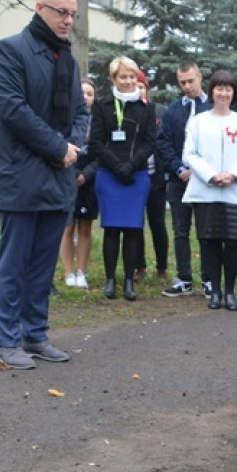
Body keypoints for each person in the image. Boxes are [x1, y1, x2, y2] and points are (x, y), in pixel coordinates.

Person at [0, 0, 85, 370]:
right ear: (40, 8)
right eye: (62, 12)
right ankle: (9, 341)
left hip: (58, 178)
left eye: (73, 14)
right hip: (21, 178)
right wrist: (59, 149)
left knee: (43, 266)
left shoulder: (68, 59)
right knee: (14, 265)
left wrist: (72, 147)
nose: (68, 20)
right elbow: (14, 111)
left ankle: (35, 335)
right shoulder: (10, 51)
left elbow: (81, 113)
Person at [182, 70, 237, 312]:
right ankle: (214, 290)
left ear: (234, 93)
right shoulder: (198, 121)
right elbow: (190, 154)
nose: (223, 93)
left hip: (235, 191)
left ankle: (229, 291)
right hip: (206, 191)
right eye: (219, 88)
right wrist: (211, 175)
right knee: (209, 242)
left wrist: (233, 175)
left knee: (232, 241)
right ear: (212, 91)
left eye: (228, 89)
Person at [88, 56, 155, 302]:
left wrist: (131, 166)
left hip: (136, 176)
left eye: (131, 77)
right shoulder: (103, 106)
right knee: (112, 229)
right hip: (109, 175)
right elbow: (95, 142)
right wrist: (117, 166)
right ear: (114, 79)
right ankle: (109, 281)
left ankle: (128, 281)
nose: (128, 82)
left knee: (133, 229)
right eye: (123, 77)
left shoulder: (146, 108)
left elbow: (150, 143)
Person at [156, 60, 213, 297]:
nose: (187, 86)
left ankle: (209, 279)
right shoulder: (173, 109)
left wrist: (200, 170)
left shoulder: (212, 107)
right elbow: (163, 142)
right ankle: (184, 278)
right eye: (182, 82)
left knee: (205, 231)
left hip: (205, 180)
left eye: (191, 81)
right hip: (179, 180)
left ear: (200, 77)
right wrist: (179, 168)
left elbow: (216, 145)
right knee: (180, 230)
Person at [59, 78, 98, 290]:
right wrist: (73, 174)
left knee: (85, 228)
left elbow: (100, 153)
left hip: (89, 182)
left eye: (90, 93)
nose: (85, 97)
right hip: (67, 178)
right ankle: (68, 272)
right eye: (81, 92)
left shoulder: (99, 121)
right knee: (67, 228)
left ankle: (82, 272)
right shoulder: (66, 119)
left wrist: (86, 175)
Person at [133, 69, 169, 284]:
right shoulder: (127, 112)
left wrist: (163, 177)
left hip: (156, 176)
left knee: (157, 223)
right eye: (134, 86)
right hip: (136, 176)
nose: (138, 91)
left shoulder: (160, 112)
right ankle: (139, 266)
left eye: (141, 87)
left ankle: (162, 267)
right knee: (136, 224)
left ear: (147, 89)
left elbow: (165, 143)